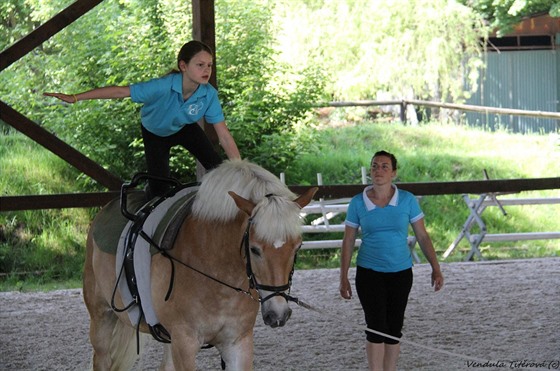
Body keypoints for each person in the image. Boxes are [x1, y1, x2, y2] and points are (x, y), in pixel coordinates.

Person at [44, 40, 241, 199]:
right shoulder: (161, 86)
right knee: (159, 191)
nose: (207, 70)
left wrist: (241, 169)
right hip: (154, 132)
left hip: (184, 128)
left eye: (209, 65)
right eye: (200, 65)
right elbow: (120, 91)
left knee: (220, 170)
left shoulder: (209, 94)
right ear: (183, 66)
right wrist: (76, 97)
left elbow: (223, 135)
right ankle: (149, 191)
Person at [339, 150, 444, 371]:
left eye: (385, 166)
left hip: (401, 272)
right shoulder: (358, 202)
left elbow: (422, 236)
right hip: (369, 272)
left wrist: (436, 267)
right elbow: (348, 240)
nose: (379, 170)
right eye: (375, 166)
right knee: (376, 326)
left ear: (394, 173)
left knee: (394, 327)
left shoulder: (407, 200)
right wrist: (343, 276)